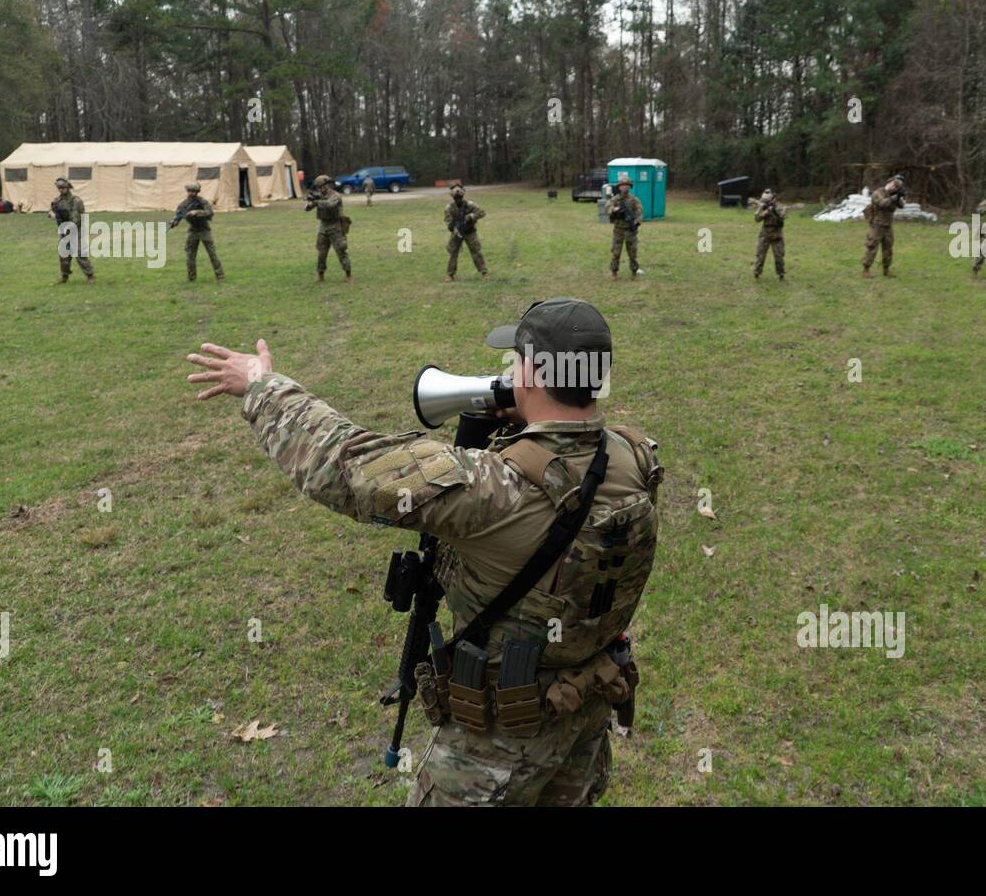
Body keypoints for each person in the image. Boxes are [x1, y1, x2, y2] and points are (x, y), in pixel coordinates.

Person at [183, 297, 662, 806]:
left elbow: (346, 465)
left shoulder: (491, 490)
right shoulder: (634, 455)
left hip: (495, 748)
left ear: (533, 373)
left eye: (515, 360)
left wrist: (263, 386)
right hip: (582, 718)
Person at [173, 182, 224, 282]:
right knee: (190, 255)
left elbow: (210, 213)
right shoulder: (183, 204)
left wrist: (196, 212)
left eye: (193, 191)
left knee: (212, 253)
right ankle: (191, 278)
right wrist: (174, 222)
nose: (191, 193)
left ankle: (220, 276)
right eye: (189, 191)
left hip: (204, 229)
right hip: (193, 230)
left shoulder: (202, 202)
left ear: (197, 192)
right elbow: (178, 216)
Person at [50, 177, 95, 284]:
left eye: (63, 187)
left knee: (80, 254)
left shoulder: (76, 201)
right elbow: (52, 210)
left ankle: (90, 275)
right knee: (64, 255)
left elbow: (76, 218)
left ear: (68, 187)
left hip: (77, 231)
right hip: (64, 231)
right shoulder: (57, 201)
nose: (61, 189)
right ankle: (64, 276)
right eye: (59, 188)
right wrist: (51, 214)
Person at [307, 174, 350, 282]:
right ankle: (320, 275)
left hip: (335, 226)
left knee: (341, 250)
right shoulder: (319, 196)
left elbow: (330, 204)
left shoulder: (335, 195)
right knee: (321, 252)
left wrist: (317, 201)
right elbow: (307, 208)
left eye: (321, 186)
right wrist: (311, 202)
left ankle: (348, 273)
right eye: (318, 187)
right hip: (323, 226)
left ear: (327, 185)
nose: (320, 189)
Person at [861, 175, 903, 277]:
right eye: (894, 185)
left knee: (888, 248)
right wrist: (893, 197)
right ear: (889, 182)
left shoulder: (893, 194)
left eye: (897, 187)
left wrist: (899, 197)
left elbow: (901, 206)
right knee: (872, 246)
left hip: (888, 225)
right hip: (877, 225)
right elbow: (882, 203)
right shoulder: (878, 193)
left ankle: (886, 269)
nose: (894, 188)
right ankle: (866, 270)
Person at [444, 183, 487, 282]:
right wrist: (453, 227)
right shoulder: (449, 208)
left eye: (460, 197)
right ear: (453, 197)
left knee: (476, 252)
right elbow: (448, 221)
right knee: (452, 253)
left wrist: (471, 216)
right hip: (457, 233)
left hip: (470, 232)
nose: (458, 199)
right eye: (456, 197)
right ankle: (450, 275)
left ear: (463, 195)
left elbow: (482, 212)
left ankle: (484, 273)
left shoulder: (469, 205)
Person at [607, 178, 643, 279]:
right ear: (619, 187)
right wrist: (614, 209)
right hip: (618, 230)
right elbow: (607, 207)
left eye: (627, 185)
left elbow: (639, 211)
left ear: (630, 187)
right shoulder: (615, 199)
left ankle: (634, 272)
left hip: (630, 230)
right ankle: (614, 272)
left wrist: (637, 221)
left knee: (632, 252)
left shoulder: (634, 199)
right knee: (616, 252)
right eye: (622, 185)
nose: (624, 187)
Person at [753, 189, 787, 281]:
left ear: (773, 199)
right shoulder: (763, 206)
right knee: (760, 255)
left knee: (779, 256)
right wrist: (765, 211)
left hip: (777, 234)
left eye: (768, 200)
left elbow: (783, 216)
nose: (765, 202)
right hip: (765, 233)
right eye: (765, 201)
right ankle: (757, 273)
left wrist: (774, 210)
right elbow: (756, 219)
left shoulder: (779, 207)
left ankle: (781, 274)